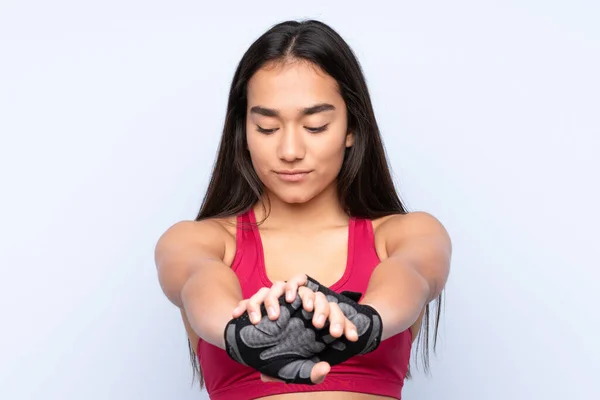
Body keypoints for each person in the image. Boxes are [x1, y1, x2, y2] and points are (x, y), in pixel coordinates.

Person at [155, 19, 451, 400]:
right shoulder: (195, 240)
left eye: (315, 126)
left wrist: (358, 322)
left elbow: (412, 275)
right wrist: (244, 334)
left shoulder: (407, 233)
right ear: (242, 131)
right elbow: (200, 286)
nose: (290, 151)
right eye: (266, 128)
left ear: (351, 128)